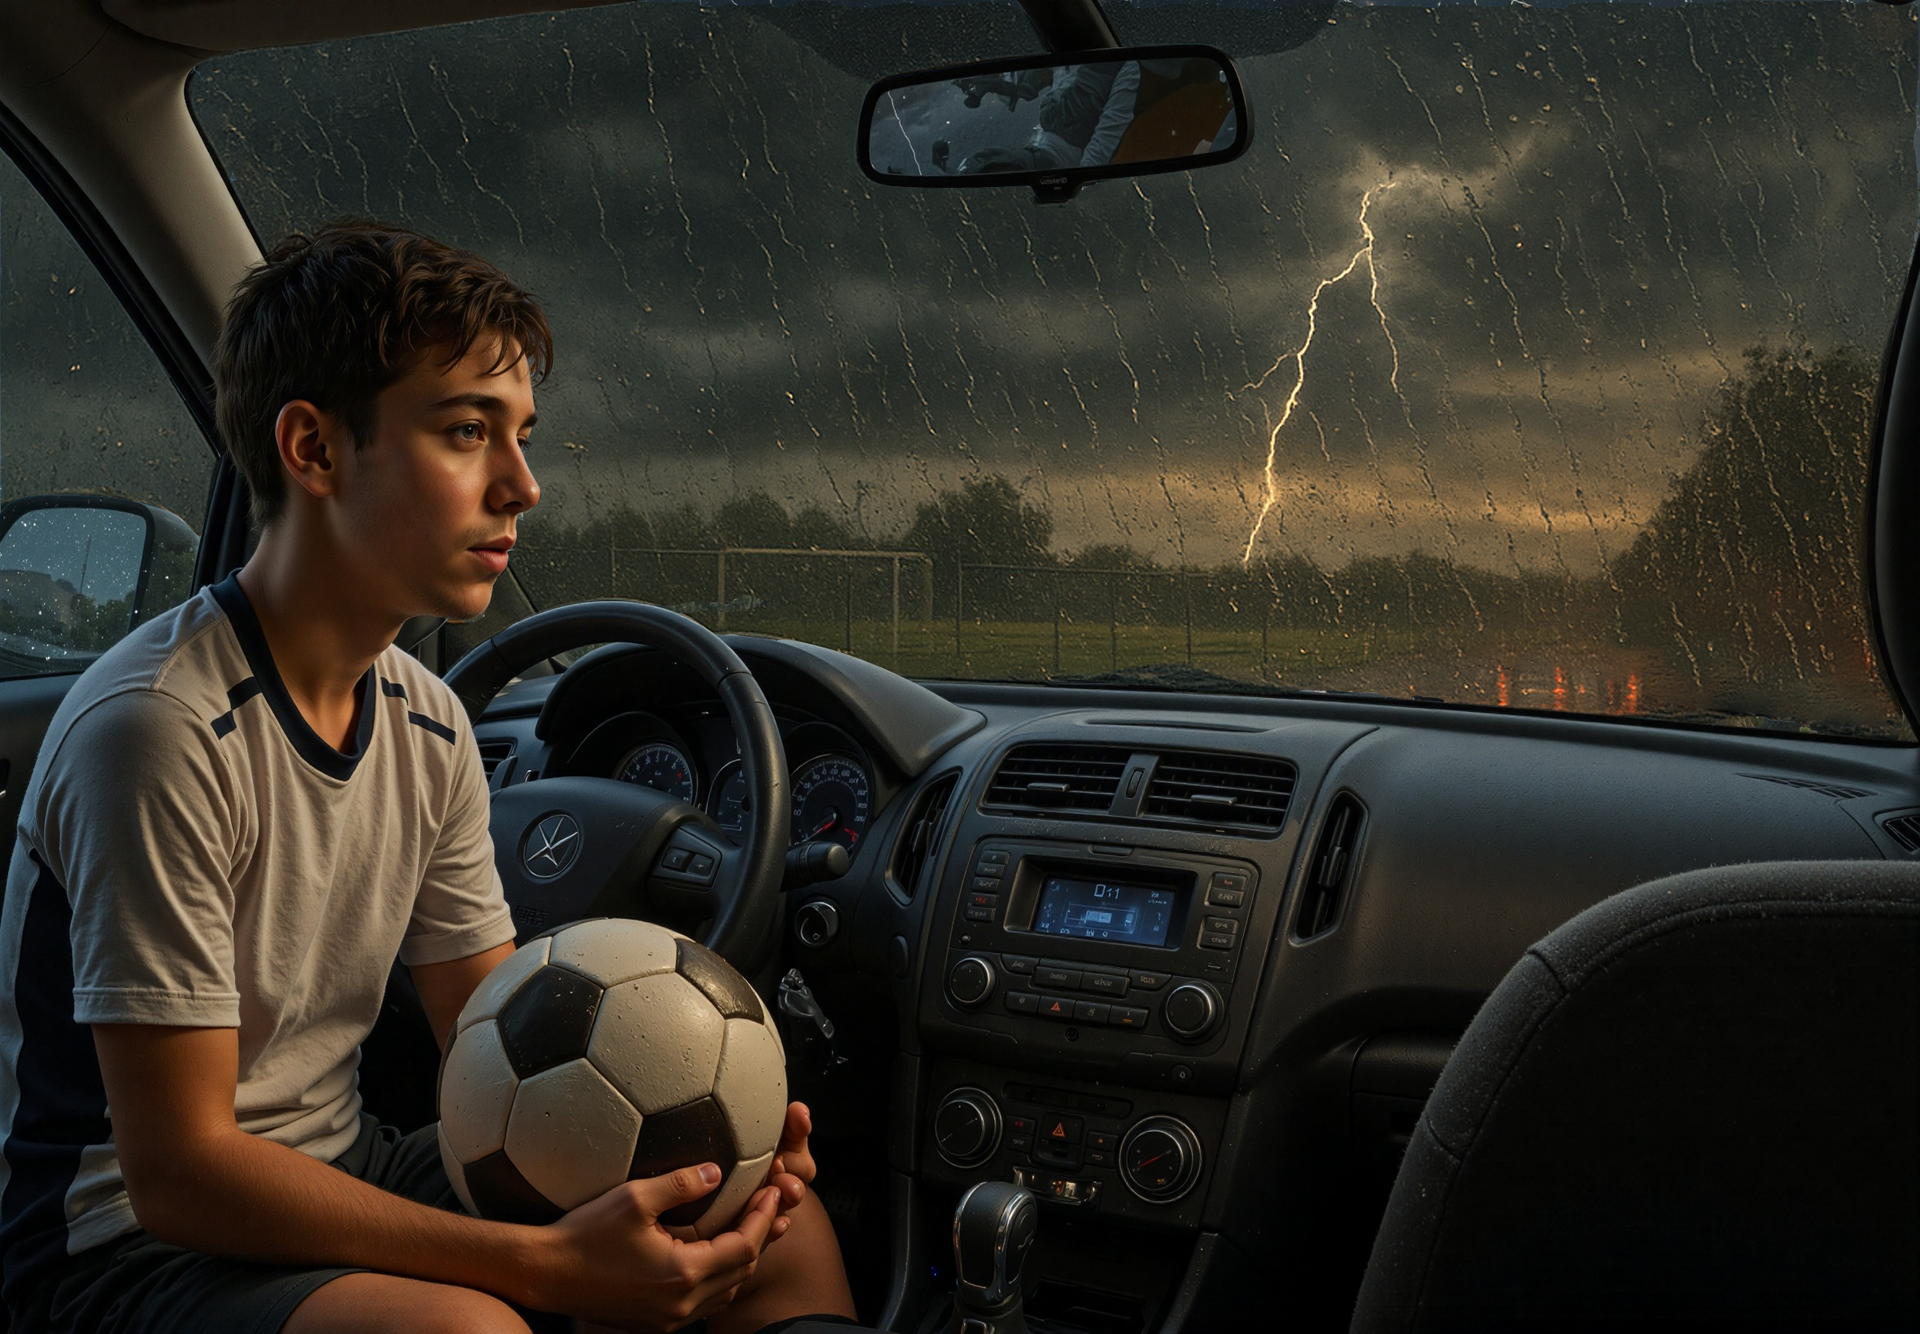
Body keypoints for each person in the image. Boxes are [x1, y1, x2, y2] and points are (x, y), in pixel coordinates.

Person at [0, 221, 859, 1334]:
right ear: (312, 448)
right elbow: (179, 1170)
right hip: (119, 1248)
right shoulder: (159, 729)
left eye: (523, 436)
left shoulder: (431, 721)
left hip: (344, 1164)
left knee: (782, 1233)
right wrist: (541, 1264)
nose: (523, 486)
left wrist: (719, 1154)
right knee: (470, 1331)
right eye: (467, 431)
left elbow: (492, 1038)